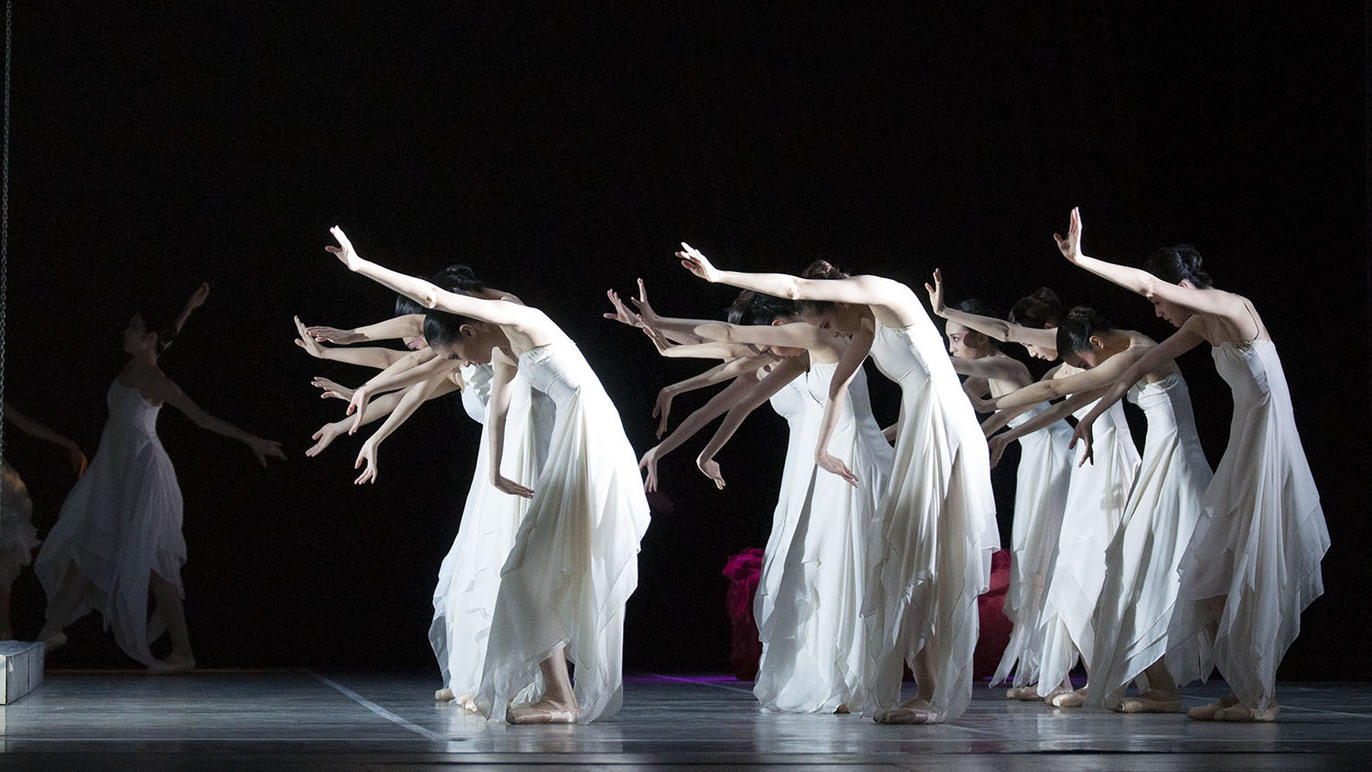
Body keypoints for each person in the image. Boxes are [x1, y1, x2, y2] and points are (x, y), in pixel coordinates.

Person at [328, 226, 649, 724]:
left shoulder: (521, 319)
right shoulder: (503, 349)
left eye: (455, 354)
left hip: (589, 440)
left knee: (528, 568)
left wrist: (360, 266)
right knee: (530, 568)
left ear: (469, 329)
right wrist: (496, 470)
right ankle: (556, 693)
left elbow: (433, 297)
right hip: (574, 439)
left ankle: (561, 697)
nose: (459, 364)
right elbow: (497, 408)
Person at [678, 245, 997, 724]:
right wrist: (822, 448)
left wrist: (719, 275)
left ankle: (931, 695)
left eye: (825, 324)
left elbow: (794, 288)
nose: (826, 334)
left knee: (922, 557)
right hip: (920, 431)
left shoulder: (881, 293)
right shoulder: (866, 324)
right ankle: (916, 689)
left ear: (838, 300)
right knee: (900, 558)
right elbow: (837, 387)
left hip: (945, 429)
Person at [1059, 207, 1328, 722]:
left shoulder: (1229, 307)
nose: (1157, 312)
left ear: (1179, 285)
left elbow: (1143, 286)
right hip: (1245, 445)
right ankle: (1247, 685)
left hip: (1268, 447)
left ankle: (1259, 699)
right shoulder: (1206, 324)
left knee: (1248, 564)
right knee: (1212, 572)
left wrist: (1083, 258)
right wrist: (1091, 416)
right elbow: (1141, 365)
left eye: (1161, 300)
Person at [35, 283, 284, 672]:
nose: (125, 332)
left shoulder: (157, 381)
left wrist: (251, 440)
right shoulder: (135, 363)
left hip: (142, 473)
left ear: (148, 338)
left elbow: (201, 418)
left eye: (133, 328)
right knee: (88, 545)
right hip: (113, 471)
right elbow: (168, 337)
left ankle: (182, 651)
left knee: (150, 562)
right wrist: (188, 308)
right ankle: (49, 631)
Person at [922, 272, 1075, 700]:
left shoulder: (1004, 364)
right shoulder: (987, 371)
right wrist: (885, 435)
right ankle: (1048, 674)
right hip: (1035, 455)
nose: (951, 345)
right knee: (1033, 559)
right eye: (948, 338)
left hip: (1053, 452)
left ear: (980, 336)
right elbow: (987, 416)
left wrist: (908, 338)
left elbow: (963, 378)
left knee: (1046, 555)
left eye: (955, 337)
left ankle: (1058, 675)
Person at [1, 403, 88, 640]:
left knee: (5, 554)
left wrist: (68, 444)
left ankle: (5, 630)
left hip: (3, 485)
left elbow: (26, 424)